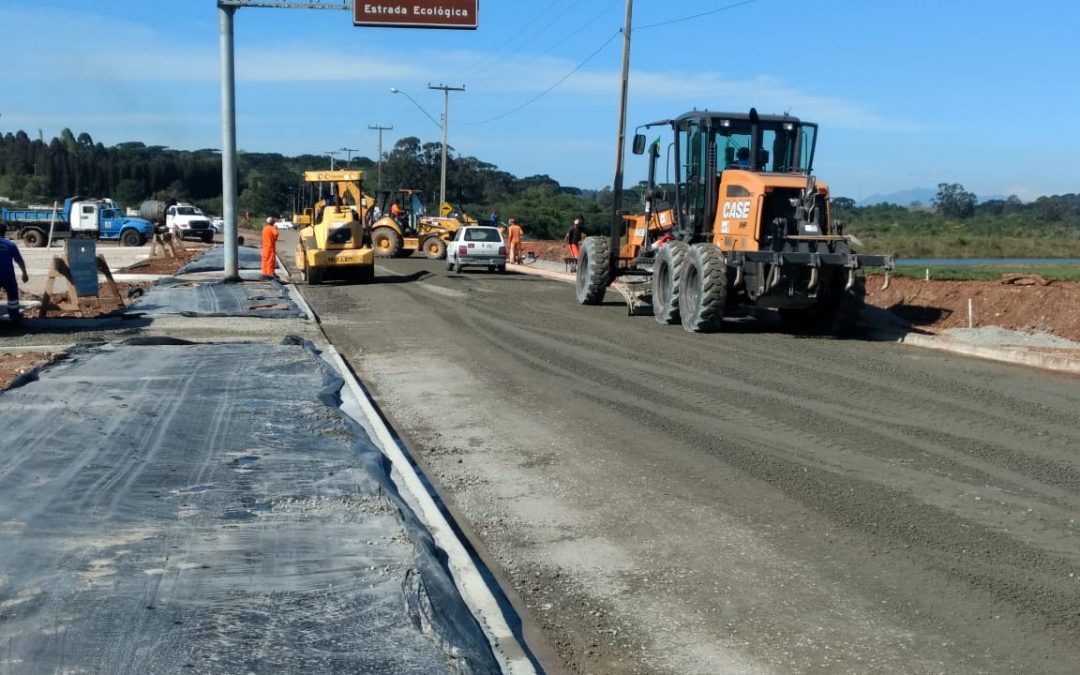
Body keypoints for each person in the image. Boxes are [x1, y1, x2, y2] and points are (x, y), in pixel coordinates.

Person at [0, 226, 29, 327]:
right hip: (8, 276)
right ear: (4, 233)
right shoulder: (10, 245)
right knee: (13, 298)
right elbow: (19, 261)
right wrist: (24, 273)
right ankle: (14, 318)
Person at [261, 216, 279, 281]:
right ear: (272, 222)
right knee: (270, 261)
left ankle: (264, 273)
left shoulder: (264, 228)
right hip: (270, 247)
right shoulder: (272, 228)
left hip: (264, 247)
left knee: (264, 261)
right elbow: (276, 234)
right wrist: (276, 229)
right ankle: (270, 274)